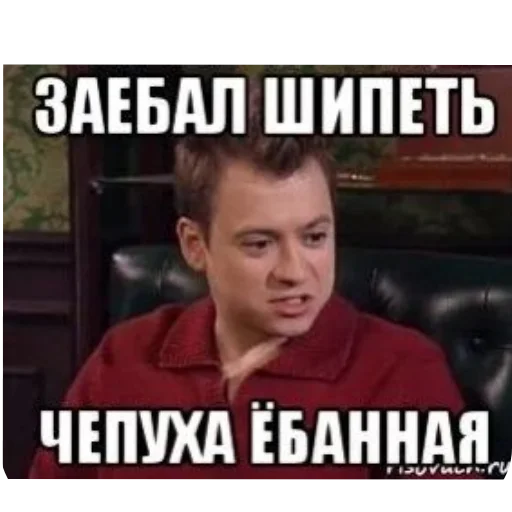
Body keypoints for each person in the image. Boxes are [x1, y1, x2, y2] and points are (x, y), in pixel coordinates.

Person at [29, 78, 482, 480]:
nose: (294, 272)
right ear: (194, 245)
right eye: (260, 244)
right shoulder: (123, 356)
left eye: (314, 237)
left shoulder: (402, 368)